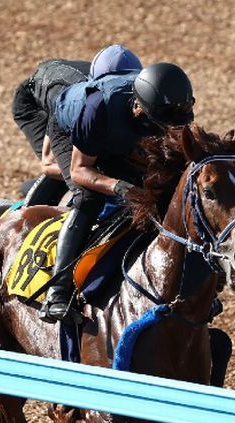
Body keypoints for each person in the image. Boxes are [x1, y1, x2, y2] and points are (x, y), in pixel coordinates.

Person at [35, 61, 195, 323]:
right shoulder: (98, 106)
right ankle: (57, 293)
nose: (166, 131)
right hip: (70, 132)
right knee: (89, 198)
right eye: (160, 124)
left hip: (120, 131)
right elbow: (80, 171)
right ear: (139, 108)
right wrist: (118, 186)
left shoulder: (169, 108)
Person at [12, 45, 143, 206]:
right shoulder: (81, 100)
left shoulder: (117, 91)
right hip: (34, 105)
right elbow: (48, 163)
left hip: (69, 80)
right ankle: (29, 197)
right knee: (77, 170)